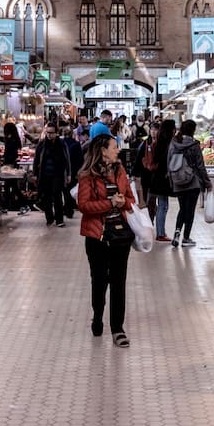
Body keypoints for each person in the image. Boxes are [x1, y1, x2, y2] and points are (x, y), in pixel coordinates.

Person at [75, 133, 136, 346]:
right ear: (103, 150)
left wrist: (123, 202)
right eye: (114, 147)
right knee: (100, 281)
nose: (117, 150)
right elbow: (83, 206)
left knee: (119, 282)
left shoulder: (120, 171)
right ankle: (98, 315)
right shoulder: (87, 176)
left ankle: (118, 329)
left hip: (120, 235)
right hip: (97, 237)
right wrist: (109, 204)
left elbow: (131, 199)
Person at [167, 119, 212, 247]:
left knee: (182, 209)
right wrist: (207, 183)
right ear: (193, 130)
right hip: (193, 182)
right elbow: (200, 166)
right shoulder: (194, 145)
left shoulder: (174, 143)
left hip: (178, 182)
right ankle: (186, 238)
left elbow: (168, 163)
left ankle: (176, 233)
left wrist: (171, 180)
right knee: (190, 210)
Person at [142, 118, 177, 243]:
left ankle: (157, 231)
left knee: (157, 204)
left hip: (155, 177)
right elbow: (165, 162)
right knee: (163, 206)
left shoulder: (157, 142)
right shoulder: (168, 143)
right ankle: (160, 233)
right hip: (162, 178)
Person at [34, 123, 73, 227]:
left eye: (51, 133)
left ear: (56, 133)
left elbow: (67, 159)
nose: (49, 135)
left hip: (58, 174)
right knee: (46, 197)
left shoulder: (62, 144)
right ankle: (49, 218)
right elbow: (36, 160)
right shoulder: (42, 144)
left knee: (57, 196)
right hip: (45, 174)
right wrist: (35, 174)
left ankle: (59, 219)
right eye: (48, 133)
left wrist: (69, 174)